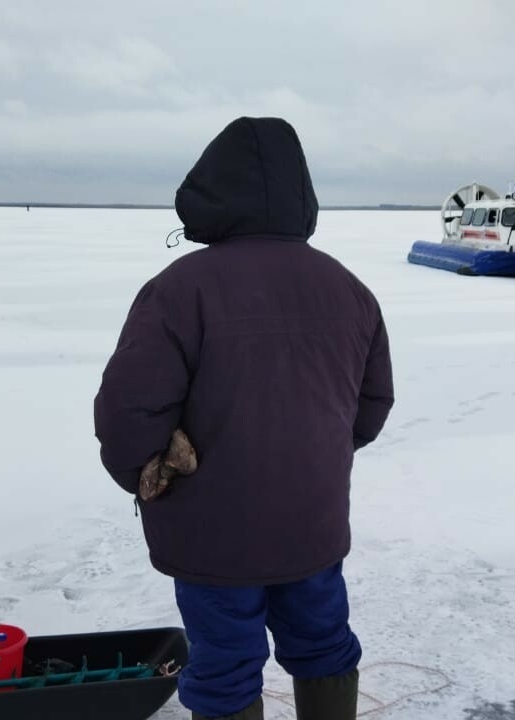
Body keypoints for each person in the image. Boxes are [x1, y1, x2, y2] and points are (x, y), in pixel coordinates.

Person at [94, 117, 394, 720]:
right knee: (324, 643)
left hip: (214, 535)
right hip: (312, 522)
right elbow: (371, 406)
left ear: (211, 192)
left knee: (226, 665)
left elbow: (128, 413)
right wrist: (312, 454)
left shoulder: (180, 290)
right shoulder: (349, 289)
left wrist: (147, 470)